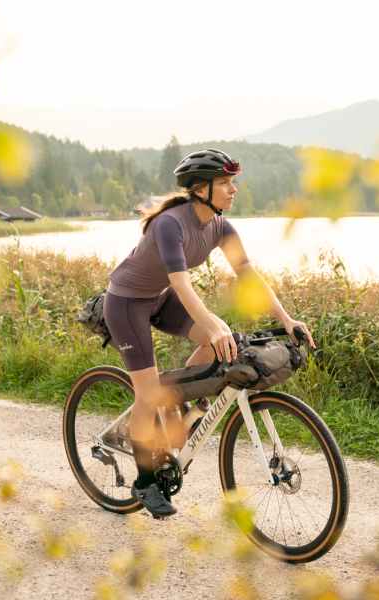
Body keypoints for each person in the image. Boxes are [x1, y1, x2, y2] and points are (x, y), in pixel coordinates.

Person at [103, 148, 316, 518]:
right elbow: (181, 283)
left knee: (219, 345)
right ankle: (145, 481)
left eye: (233, 182)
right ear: (201, 188)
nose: (233, 189)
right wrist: (215, 325)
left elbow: (247, 273)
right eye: (225, 183)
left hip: (159, 298)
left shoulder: (220, 226)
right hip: (126, 303)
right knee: (149, 392)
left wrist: (286, 319)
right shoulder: (170, 223)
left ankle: (179, 412)